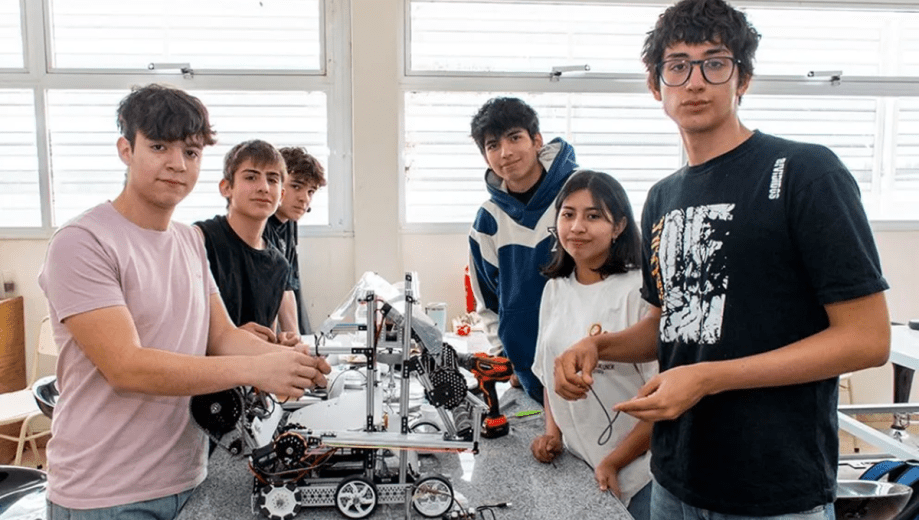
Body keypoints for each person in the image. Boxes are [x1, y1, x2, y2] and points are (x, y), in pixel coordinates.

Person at [553, 0, 891, 518]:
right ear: (655, 84)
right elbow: (671, 323)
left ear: (743, 78)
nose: (695, 82)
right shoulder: (663, 196)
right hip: (675, 478)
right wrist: (598, 347)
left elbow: (866, 339)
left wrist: (711, 377)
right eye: (677, 66)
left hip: (774, 488)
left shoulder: (805, 172)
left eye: (715, 63)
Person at [38, 84, 330, 519]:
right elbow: (126, 366)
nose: (177, 164)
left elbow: (221, 337)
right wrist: (257, 368)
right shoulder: (83, 242)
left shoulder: (188, 240)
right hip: (105, 494)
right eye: (159, 147)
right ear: (126, 149)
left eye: (191, 153)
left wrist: (288, 361)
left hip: (188, 477)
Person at [530, 170, 655, 520]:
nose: (577, 227)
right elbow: (549, 370)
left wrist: (615, 462)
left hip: (639, 472)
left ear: (619, 227)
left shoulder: (638, 289)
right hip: (580, 466)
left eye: (594, 215)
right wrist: (552, 434)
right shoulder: (556, 289)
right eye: (568, 214)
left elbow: (660, 398)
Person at [467, 96, 579, 404]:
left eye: (515, 137)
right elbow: (487, 300)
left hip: (586, 366)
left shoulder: (578, 195)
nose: (505, 153)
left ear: (537, 141)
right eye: (492, 145)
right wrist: (504, 358)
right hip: (528, 375)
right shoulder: (487, 220)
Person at [195, 140, 297, 344]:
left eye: (272, 179)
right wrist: (232, 337)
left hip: (254, 371)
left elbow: (267, 333)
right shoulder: (200, 240)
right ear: (226, 188)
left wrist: (280, 342)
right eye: (251, 177)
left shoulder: (279, 265)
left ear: (281, 195)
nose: (263, 188)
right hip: (205, 371)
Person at [264, 146, 327, 336]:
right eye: (296, 186)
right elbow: (273, 294)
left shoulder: (289, 223)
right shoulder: (261, 225)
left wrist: (300, 339)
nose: (304, 199)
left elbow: (289, 285)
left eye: (311, 192)